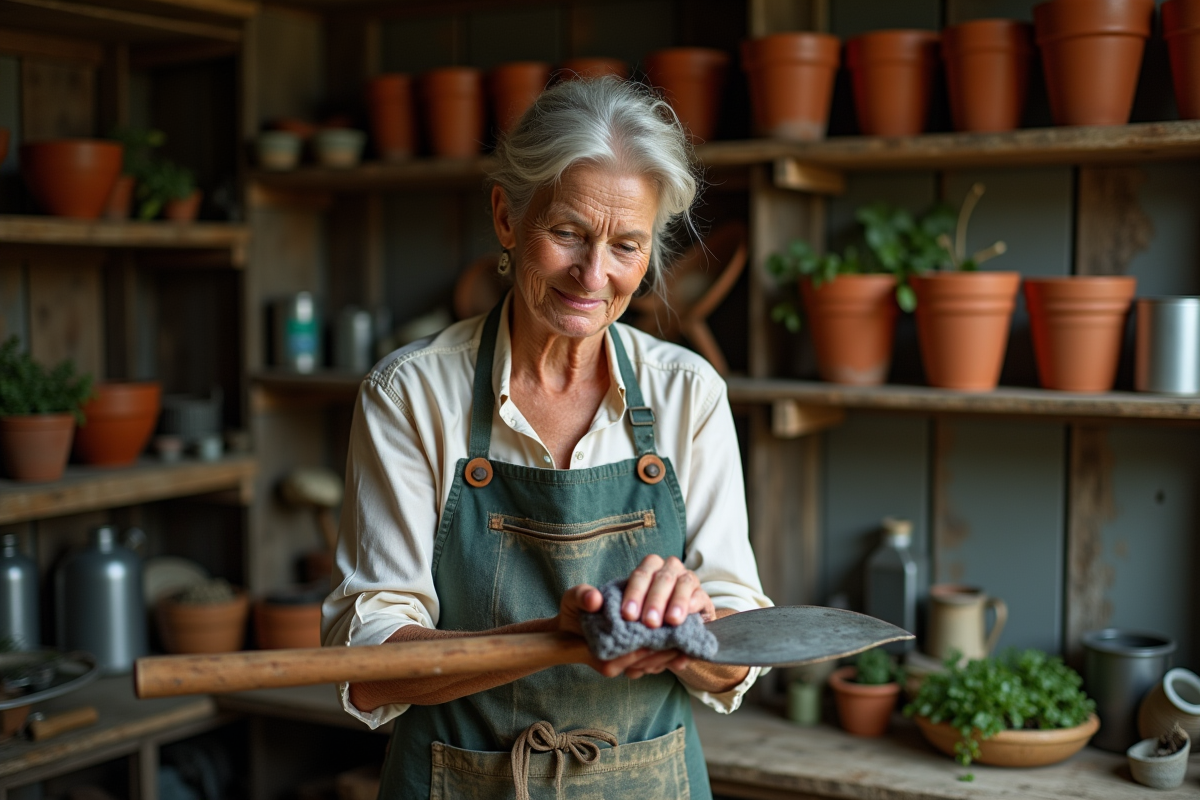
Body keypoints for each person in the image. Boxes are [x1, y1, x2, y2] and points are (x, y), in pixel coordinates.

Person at [322, 77, 771, 800]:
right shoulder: (411, 395)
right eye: (567, 232)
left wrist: (690, 625)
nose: (593, 275)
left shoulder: (688, 395)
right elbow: (371, 666)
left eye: (626, 245)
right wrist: (559, 635)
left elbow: (739, 661)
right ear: (506, 215)